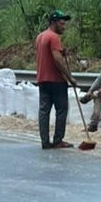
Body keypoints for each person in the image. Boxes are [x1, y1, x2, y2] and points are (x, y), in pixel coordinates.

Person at [35, 10, 78, 149]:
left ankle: (45, 141)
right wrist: (69, 77)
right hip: (55, 80)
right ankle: (58, 140)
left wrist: (61, 51)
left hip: (42, 79)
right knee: (61, 109)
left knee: (44, 110)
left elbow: (47, 54)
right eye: (61, 22)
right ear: (54, 23)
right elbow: (57, 60)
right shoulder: (54, 37)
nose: (64, 25)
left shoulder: (40, 36)